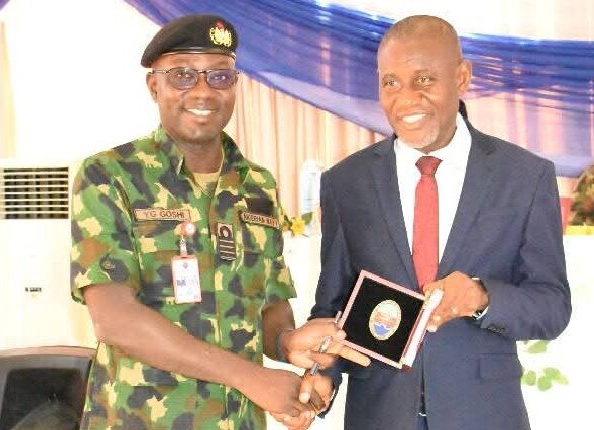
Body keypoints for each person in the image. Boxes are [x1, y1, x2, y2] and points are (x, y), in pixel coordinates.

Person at [70, 14, 346, 430]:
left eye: (219, 76)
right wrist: (252, 378)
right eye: (182, 75)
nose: (202, 91)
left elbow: (269, 305)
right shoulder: (110, 175)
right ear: (154, 86)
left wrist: (288, 342)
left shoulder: (257, 185)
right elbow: (115, 320)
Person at [295, 15, 571, 430]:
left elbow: (552, 305)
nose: (405, 100)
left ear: (462, 78)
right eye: (390, 82)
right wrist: (324, 376)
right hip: (379, 416)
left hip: (484, 415)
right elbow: (334, 308)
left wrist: (480, 297)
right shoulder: (345, 183)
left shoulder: (525, 177)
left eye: (423, 79)